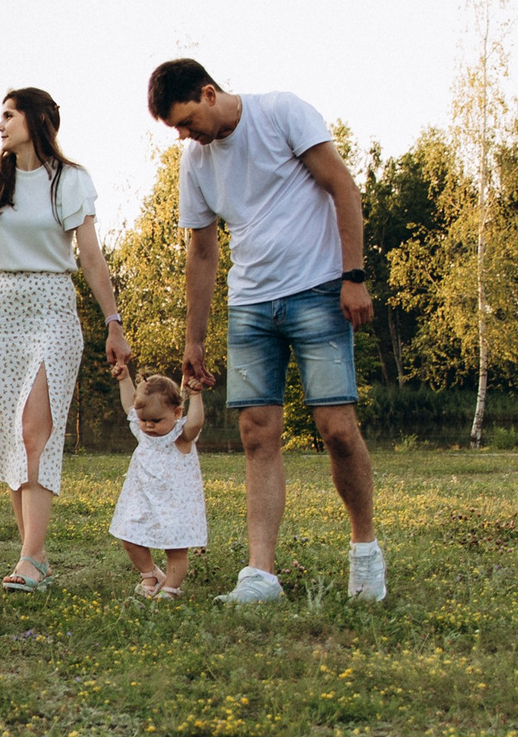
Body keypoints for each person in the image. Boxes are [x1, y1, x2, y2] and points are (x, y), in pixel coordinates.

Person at [147, 58, 385, 603]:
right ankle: (261, 575)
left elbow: (343, 187)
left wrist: (354, 276)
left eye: (186, 122)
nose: (184, 136)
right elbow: (202, 252)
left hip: (319, 291)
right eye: (176, 130)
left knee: (337, 429)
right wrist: (194, 339)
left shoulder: (281, 113)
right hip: (252, 304)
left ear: (209, 93)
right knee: (256, 434)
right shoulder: (195, 161)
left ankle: (365, 552)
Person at [0, 87, 135, 591]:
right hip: (2, 312)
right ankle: (34, 559)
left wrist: (112, 321)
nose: (0, 125)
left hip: (53, 305)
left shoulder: (71, 181)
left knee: (36, 428)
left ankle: (31, 559)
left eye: (8, 115)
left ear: (35, 120)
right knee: (15, 436)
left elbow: (92, 259)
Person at [109, 372, 207, 597]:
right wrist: (124, 379)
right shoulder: (142, 431)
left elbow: (196, 422)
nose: (148, 425)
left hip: (175, 505)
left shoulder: (180, 436)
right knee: (129, 535)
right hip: (143, 499)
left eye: (156, 421)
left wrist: (196, 396)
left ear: (176, 413)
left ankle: (171, 587)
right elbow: (129, 406)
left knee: (176, 550)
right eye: (144, 420)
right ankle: (150, 573)